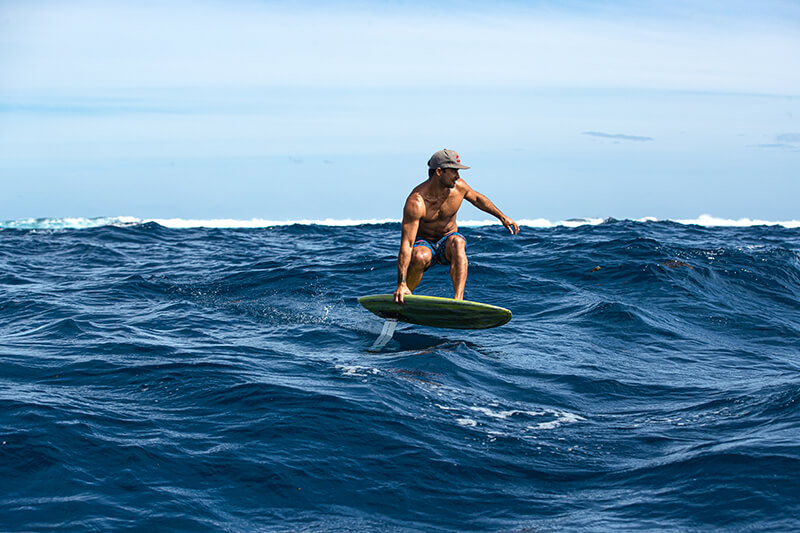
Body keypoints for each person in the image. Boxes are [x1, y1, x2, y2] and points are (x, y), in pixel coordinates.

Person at [393, 149, 519, 304]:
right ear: (439, 171)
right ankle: (404, 295)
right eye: (453, 171)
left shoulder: (458, 187)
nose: (457, 176)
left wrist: (502, 217)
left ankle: (457, 301)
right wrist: (401, 283)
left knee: (458, 243)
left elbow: (478, 199)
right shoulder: (416, 202)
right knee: (420, 256)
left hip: (447, 241)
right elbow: (407, 244)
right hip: (424, 242)